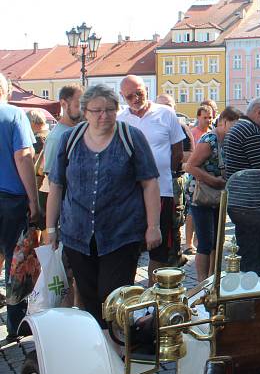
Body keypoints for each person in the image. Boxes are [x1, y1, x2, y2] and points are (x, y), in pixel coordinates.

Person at [46, 84, 161, 327]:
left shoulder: (131, 137)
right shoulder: (70, 139)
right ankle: (99, 349)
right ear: (84, 111)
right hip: (77, 235)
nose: (104, 115)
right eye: (97, 110)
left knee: (114, 297)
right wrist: (51, 229)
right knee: (88, 297)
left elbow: (149, 183)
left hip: (121, 233)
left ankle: (118, 349)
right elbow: (56, 185)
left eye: (110, 109)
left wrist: (154, 226)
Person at [118, 76, 185, 283]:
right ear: (123, 97)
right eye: (130, 96)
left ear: (146, 89)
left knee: (159, 252)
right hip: (131, 194)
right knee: (129, 249)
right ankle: (130, 297)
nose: (135, 98)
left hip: (162, 191)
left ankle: (152, 301)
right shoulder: (120, 120)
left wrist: (164, 173)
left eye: (139, 92)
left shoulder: (166, 113)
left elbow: (177, 151)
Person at [0, 73, 39, 340]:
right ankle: (15, 325)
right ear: (7, 90)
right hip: (10, 199)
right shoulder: (13, 115)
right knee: (15, 263)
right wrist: (34, 202)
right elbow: (24, 158)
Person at [185, 106, 242, 281]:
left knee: (217, 240)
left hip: (217, 196)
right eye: (235, 125)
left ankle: (213, 278)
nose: (237, 130)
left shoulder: (228, 139)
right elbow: (190, 166)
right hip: (201, 196)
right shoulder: (209, 139)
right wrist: (213, 180)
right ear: (224, 122)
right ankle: (202, 283)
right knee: (205, 242)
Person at [223, 97, 260, 272]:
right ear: (259, 113)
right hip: (250, 205)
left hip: (239, 202)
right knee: (257, 256)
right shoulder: (251, 130)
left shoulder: (237, 127)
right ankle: (254, 293)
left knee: (247, 250)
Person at [155, 93, 196, 257]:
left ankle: (174, 255)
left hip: (174, 179)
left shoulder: (182, 127)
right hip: (152, 181)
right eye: (161, 105)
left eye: (168, 105)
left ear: (174, 108)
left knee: (174, 219)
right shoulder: (153, 125)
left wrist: (165, 157)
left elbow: (189, 155)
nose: (165, 109)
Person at [42, 84, 83, 191]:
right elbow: (53, 180)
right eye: (78, 106)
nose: (83, 111)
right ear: (64, 104)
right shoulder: (56, 138)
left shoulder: (83, 130)